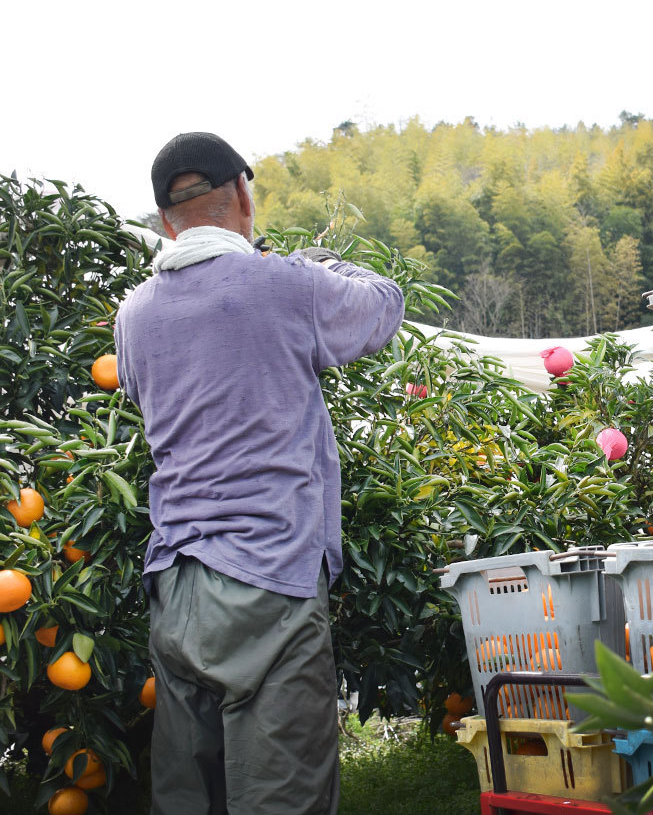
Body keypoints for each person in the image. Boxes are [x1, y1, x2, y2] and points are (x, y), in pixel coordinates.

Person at [113, 132, 406, 815]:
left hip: (176, 581)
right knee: (282, 795)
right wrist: (315, 261)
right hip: (268, 578)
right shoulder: (284, 285)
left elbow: (141, 385)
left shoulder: (133, 314)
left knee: (189, 798)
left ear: (165, 221)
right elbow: (382, 304)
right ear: (243, 194)